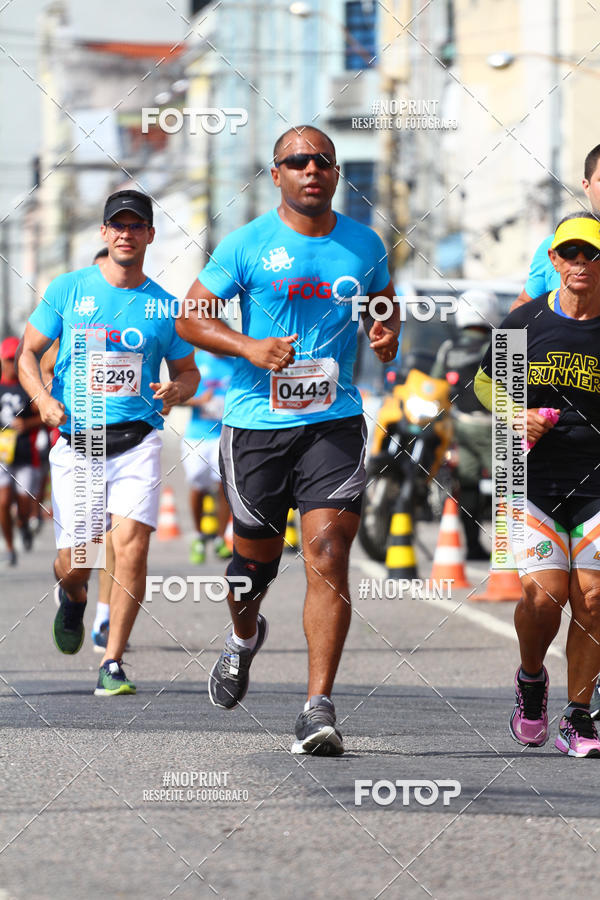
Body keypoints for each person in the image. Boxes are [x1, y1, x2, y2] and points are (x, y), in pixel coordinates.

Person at [176, 125, 399, 755]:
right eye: (298, 161)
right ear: (276, 174)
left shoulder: (364, 243)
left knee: (328, 551)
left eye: (323, 161)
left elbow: (383, 304)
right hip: (256, 427)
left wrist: (386, 334)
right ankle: (243, 638)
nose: (312, 170)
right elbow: (190, 316)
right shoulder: (246, 243)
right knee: (252, 567)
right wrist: (248, 346)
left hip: (334, 421)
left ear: (336, 173)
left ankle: (317, 707)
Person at [17, 189, 199, 695]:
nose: (126, 234)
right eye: (117, 225)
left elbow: (189, 372)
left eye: (136, 226)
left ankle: (112, 662)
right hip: (79, 444)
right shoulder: (69, 289)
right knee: (81, 561)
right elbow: (28, 354)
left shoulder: (165, 307)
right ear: (104, 232)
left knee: (132, 548)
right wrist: (42, 400)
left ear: (150, 235)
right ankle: (74, 596)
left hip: (138, 441)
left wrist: (178, 390)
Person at [475, 212, 600, 757]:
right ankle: (531, 680)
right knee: (545, 595)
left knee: (593, 596)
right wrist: (514, 414)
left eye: (591, 254)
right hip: (530, 478)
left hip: (596, 480)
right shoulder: (525, 322)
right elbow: (485, 385)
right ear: (554, 259)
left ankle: (578, 716)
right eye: (570, 253)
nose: (580, 263)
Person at [432, 290, 501, 559]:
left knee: (467, 485)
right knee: (509, 489)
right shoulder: (498, 345)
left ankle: (472, 547)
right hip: (496, 428)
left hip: (461, 427)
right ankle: (508, 549)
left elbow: (436, 386)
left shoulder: (449, 348)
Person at [512, 144, 600, 309]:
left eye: (591, 254)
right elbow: (521, 308)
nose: (580, 259)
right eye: (572, 253)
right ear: (586, 186)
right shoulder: (556, 245)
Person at [183, 348, 235, 564]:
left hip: (224, 435)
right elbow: (176, 398)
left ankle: (220, 539)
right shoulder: (195, 361)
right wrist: (198, 401)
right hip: (197, 437)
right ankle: (198, 535)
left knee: (223, 485)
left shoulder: (235, 363)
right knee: (198, 485)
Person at [0, 336, 41, 566]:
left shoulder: (28, 385)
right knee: (3, 501)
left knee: (24, 504)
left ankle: (23, 524)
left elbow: (45, 416)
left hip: (25, 453)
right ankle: (9, 547)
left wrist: (27, 424)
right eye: (7, 360)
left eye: (14, 360)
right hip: (2, 456)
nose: (11, 365)